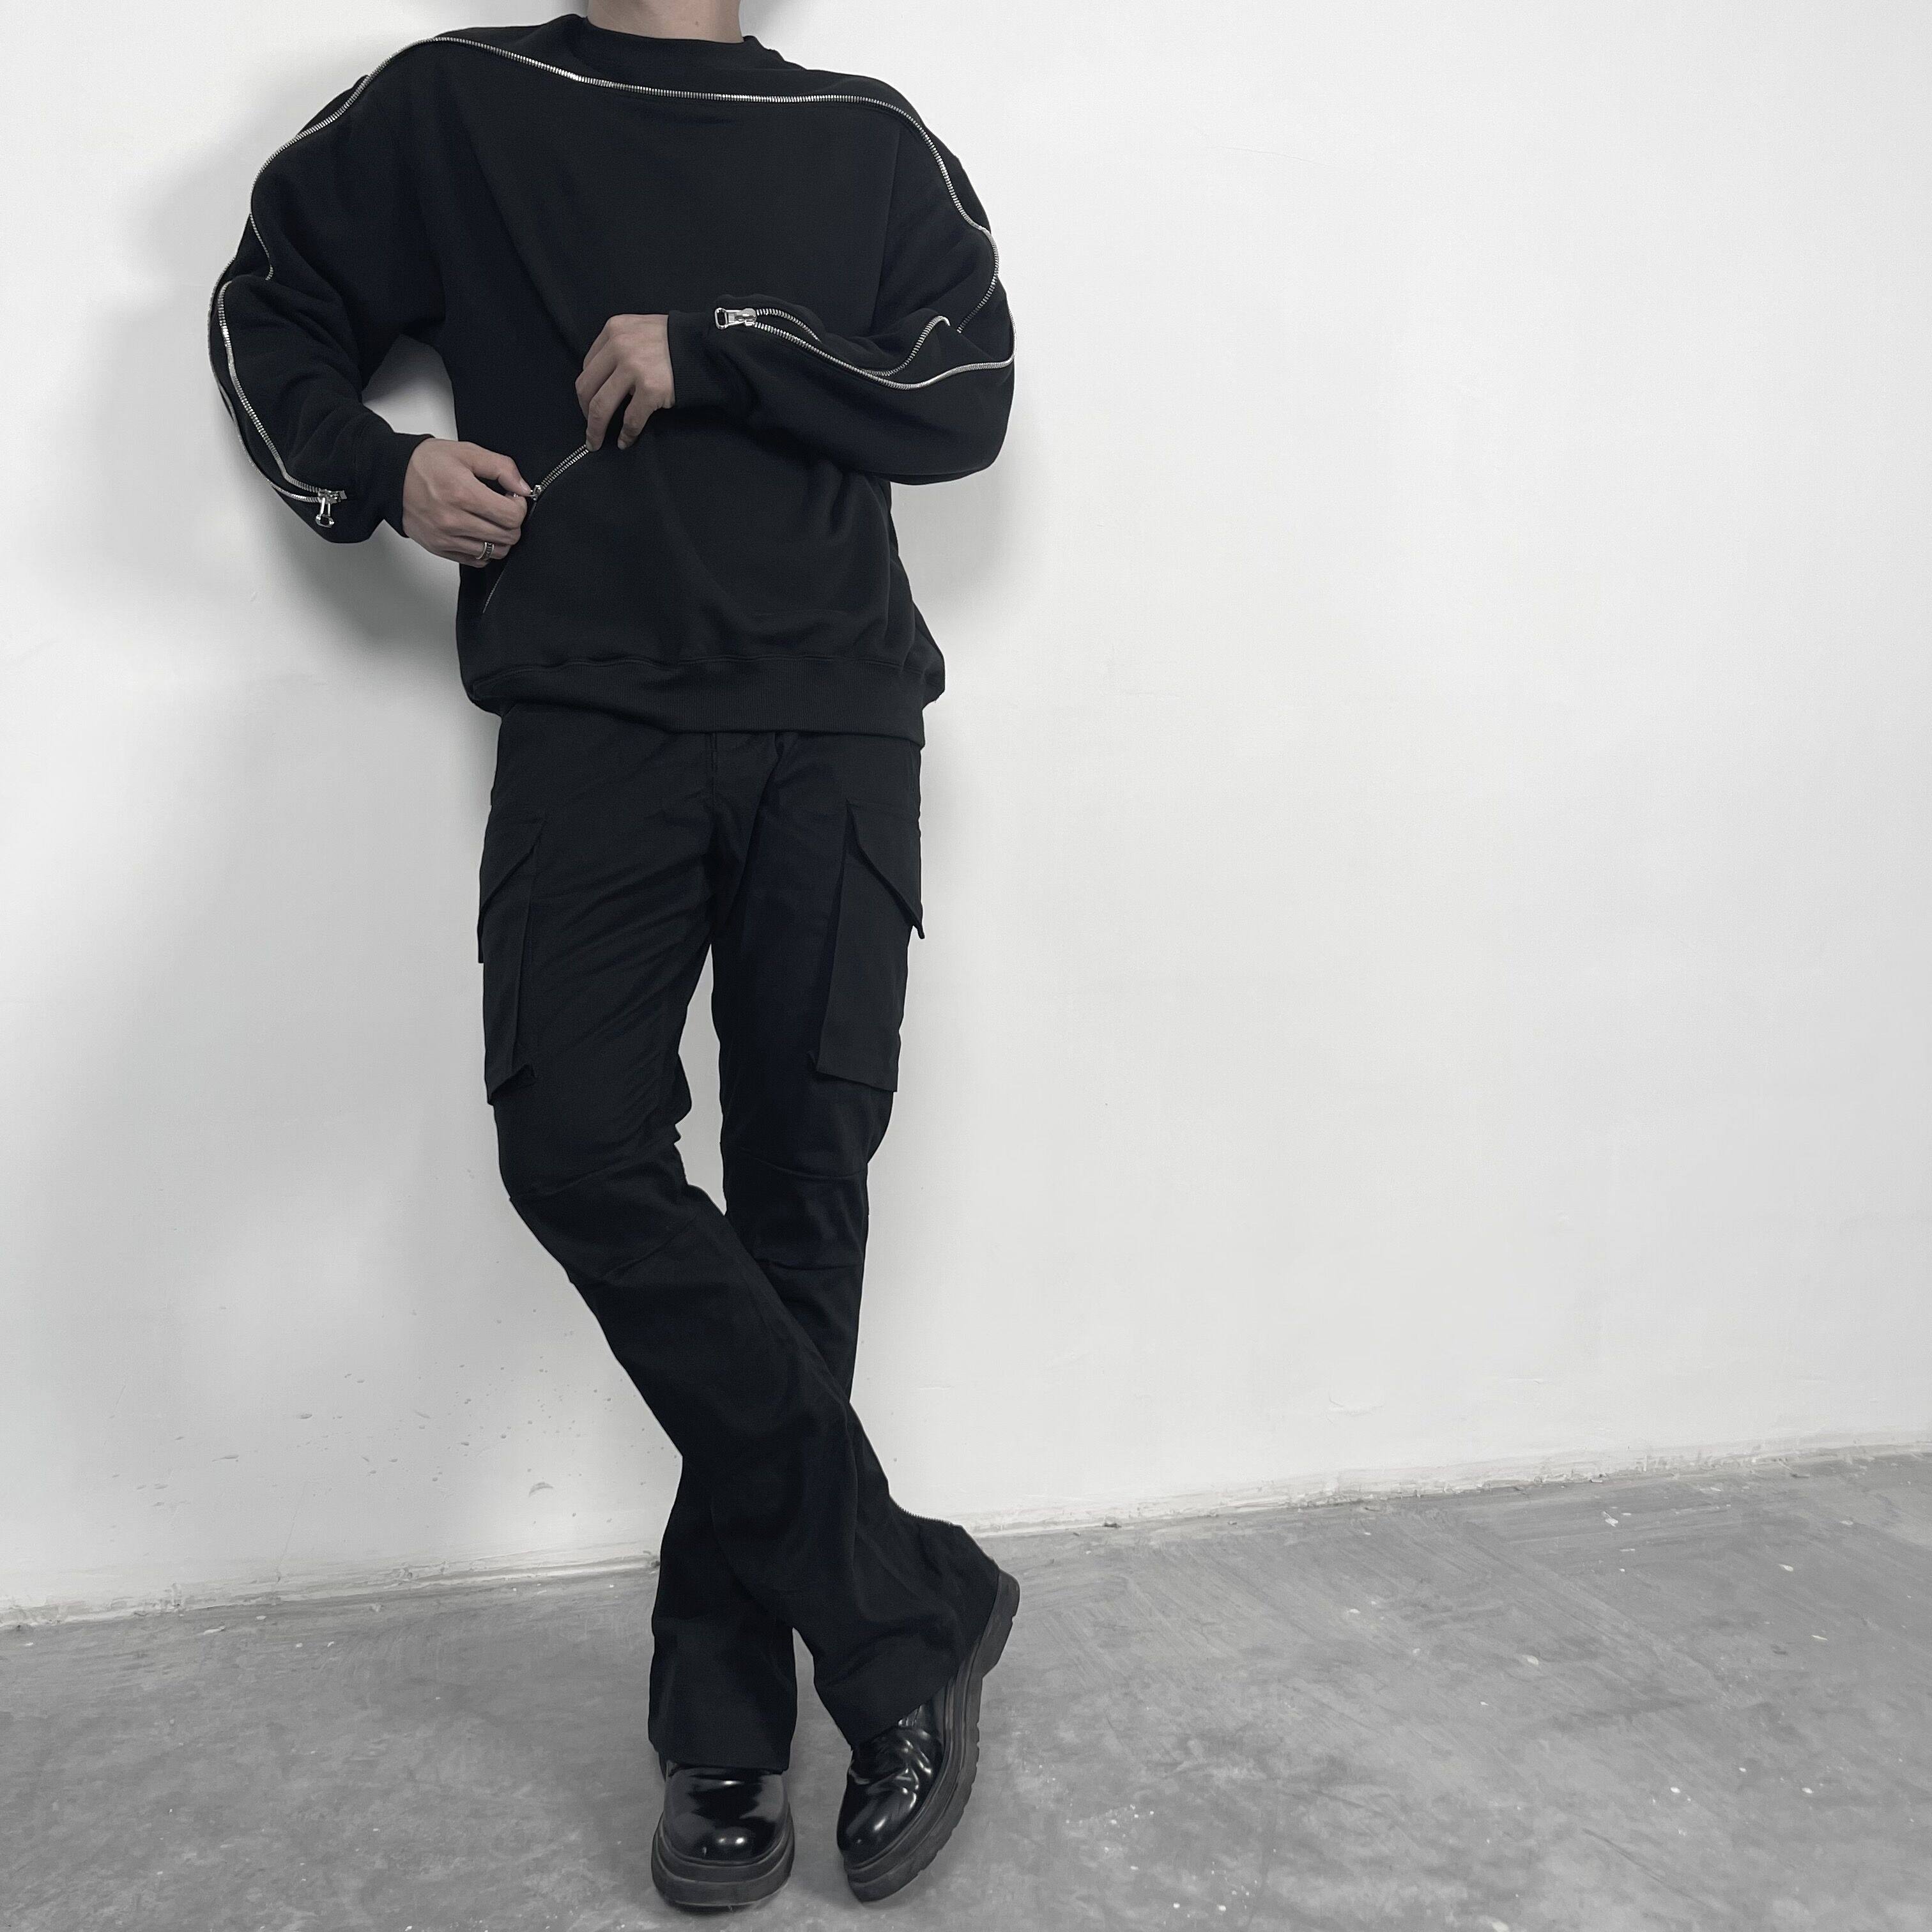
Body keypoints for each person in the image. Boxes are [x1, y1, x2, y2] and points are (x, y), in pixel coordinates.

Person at [206, 0, 1018, 1908]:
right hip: (592, 727)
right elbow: (265, 305)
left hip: (832, 733)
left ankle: (721, 1726)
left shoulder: (867, 135)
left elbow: (966, 394)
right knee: (575, 1148)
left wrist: (718, 345)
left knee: (801, 1204)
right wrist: (378, 471)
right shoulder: (466, 101)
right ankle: (903, 1612)